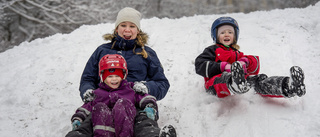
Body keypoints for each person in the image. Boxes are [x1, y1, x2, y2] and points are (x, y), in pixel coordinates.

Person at [72, 7, 176, 137]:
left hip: (134, 102)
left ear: (138, 30)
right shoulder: (102, 51)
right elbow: (88, 78)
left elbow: (162, 83)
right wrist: (88, 92)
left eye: (132, 26)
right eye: (123, 25)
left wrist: (146, 88)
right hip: (103, 102)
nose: (127, 29)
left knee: (143, 123)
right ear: (116, 28)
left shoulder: (147, 54)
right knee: (88, 121)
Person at [195, 16, 306, 98]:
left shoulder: (238, 54)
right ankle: (234, 82)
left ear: (235, 36)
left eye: (230, 32)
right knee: (225, 77)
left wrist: (246, 61)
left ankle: (288, 86)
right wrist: (223, 66)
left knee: (259, 81)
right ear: (216, 36)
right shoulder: (212, 50)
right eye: (222, 32)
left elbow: (254, 67)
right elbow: (200, 64)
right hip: (214, 84)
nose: (227, 34)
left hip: (242, 82)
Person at [67, 54, 158, 136]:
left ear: (123, 76)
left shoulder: (130, 89)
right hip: (103, 122)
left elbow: (143, 97)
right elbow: (86, 107)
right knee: (90, 119)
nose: (114, 79)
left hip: (129, 120)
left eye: (117, 76)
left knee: (143, 121)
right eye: (110, 76)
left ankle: (153, 135)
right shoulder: (97, 93)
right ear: (103, 77)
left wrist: (149, 106)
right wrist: (78, 119)